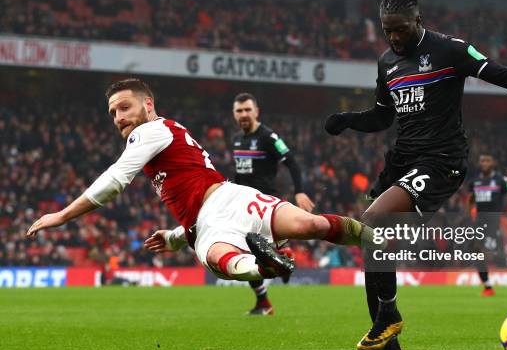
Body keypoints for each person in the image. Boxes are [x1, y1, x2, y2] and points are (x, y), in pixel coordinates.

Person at [324, 0, 507, 350]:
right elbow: (383, 116)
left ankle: (388, 316)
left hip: (443, 161)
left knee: (373, 221)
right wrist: (348, 120)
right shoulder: (386, 62)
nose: (394, 37)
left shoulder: (450, 50)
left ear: (418, 21)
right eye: (387, 30)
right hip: (405, 160)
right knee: (370, 237)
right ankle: (387, 341)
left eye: (401, 29)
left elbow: (498, 72)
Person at [27, 79, 375, 285]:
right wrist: (177, 237)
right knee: (310, 224)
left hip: (214, 216)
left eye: (124, 107)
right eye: (113, 113)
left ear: (148, 104)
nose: (118, 118)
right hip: (228, 199)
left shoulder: (150, 131)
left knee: (221, 260)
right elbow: (191, 194)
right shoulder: (166, 134)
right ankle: (372, 239)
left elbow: (116, 179)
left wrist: (62, 216)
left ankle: (264, 265)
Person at [231, 92, 315, 315]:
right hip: (243, 204)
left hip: (265, 203)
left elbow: (292, 163)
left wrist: (299, 191)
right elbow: (241, 175)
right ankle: (282, 259)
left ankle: (280, 261)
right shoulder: (237, 139)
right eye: (240, 111)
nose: (244, 114)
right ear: (234, 114)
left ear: (256, 111)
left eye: (248, 110)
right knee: (246, 254)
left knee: (247, 251)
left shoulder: (269, 137)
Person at [467, 153, 507, 296]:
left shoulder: (501, 180)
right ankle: (488, 286)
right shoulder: (475, 182)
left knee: (489, 253)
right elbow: (470, 199)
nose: (484, 163)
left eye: (487, 160)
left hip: (494, 222)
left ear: (493, 163)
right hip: (479, 222)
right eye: (482, 160)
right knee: (476, 252)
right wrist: (470, 215)